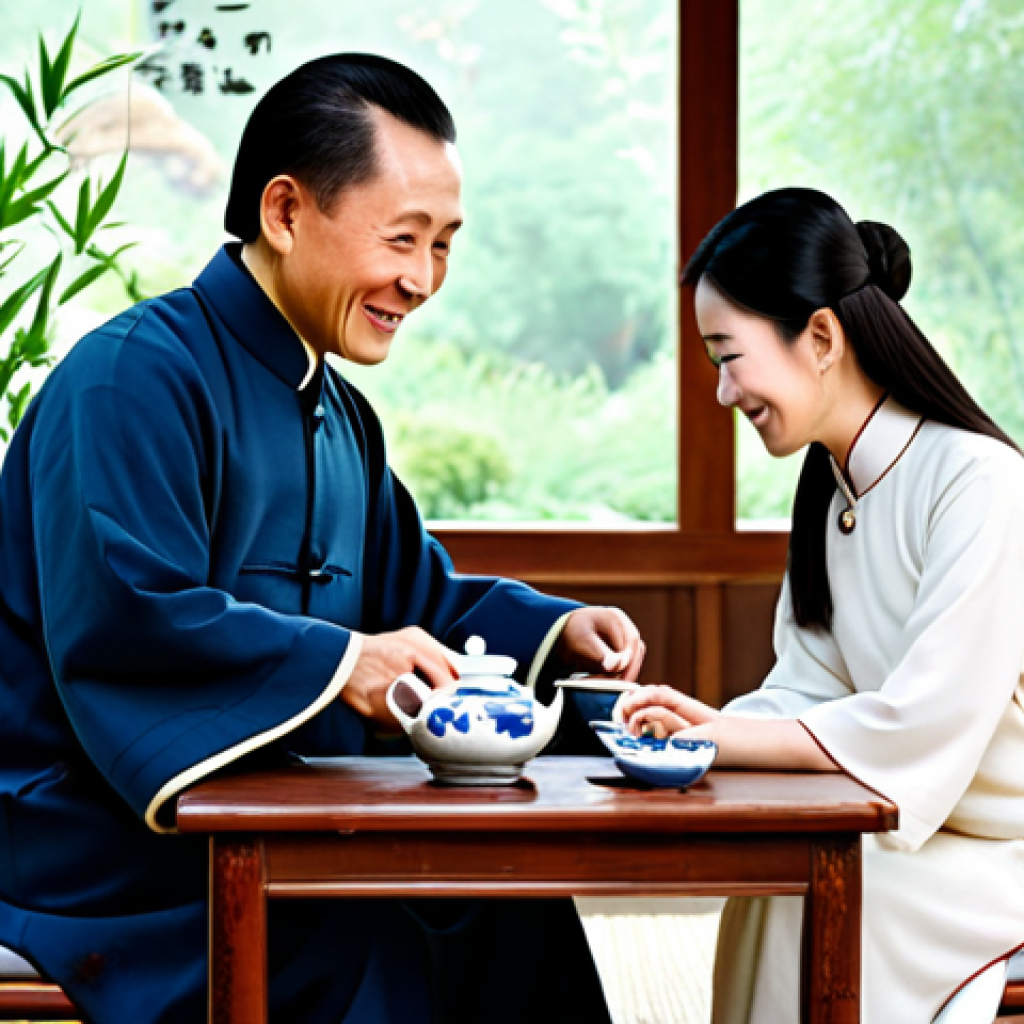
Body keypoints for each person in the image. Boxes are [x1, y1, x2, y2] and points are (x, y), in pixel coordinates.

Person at [0, 53, 645, 1024]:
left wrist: (559, 631)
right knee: (363, 939)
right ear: (285, 211)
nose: (422, 279)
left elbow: (411, 605)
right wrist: (341, 663)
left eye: (444, 245)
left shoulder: (341, 412)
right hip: (100, 838)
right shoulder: (126, 377)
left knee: (511, 908)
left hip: (274, 817)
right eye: (402, 239)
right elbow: (130, 620)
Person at [616, 187, 1024, 1023]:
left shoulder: (979, 481)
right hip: (920, 830)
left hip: (994, 853)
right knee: (787, 877)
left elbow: (927, 720)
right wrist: (702, 728)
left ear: (823, 337)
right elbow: (809, 689)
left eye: (729, 355)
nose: (724, 393)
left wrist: (725, 734)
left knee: (833, 881)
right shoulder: (834, 489)